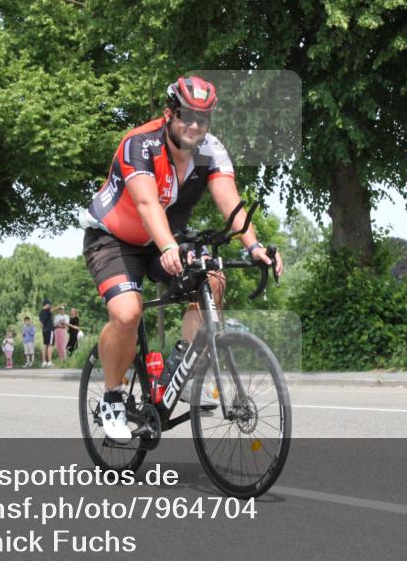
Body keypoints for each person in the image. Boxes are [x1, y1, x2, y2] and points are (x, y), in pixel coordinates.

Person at [80, 75, 283, 442]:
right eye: (186, 116)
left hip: (166, 239)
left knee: (214, 279)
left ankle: (186, 373)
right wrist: (169, 248)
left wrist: (254, 247)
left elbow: (231, 205)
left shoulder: (212, 150)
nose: (193, 126)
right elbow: (146, 204)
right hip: (113, 239)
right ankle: (112, 399)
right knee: (127, 313)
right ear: (169, 114)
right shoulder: (139, 144)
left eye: (202, 119)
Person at [39, 299, 54, 368]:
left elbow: (41, 324)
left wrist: (43, 329)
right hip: (50, 330)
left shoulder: (40, 312)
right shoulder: (48, 310)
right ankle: (49, 362)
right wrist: (60, 306)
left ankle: (44, 362)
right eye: (49, 304)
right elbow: (53, 309)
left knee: (45, 345)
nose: (50, 305)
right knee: (50, 345)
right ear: (47, 304)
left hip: (44, 331)